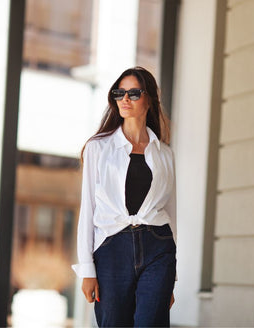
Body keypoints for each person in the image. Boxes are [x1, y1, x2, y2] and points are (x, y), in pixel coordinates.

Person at [72, 66, 177, 327]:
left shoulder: (165, 154)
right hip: (111, 249)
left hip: (158, 247)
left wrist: (169, 281)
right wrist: (87, 269)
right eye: (120, 93)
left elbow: (171, 214)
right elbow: (89, 209)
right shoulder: (99, 147)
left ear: (149, 99)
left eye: (133, 93)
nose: (125, 99)